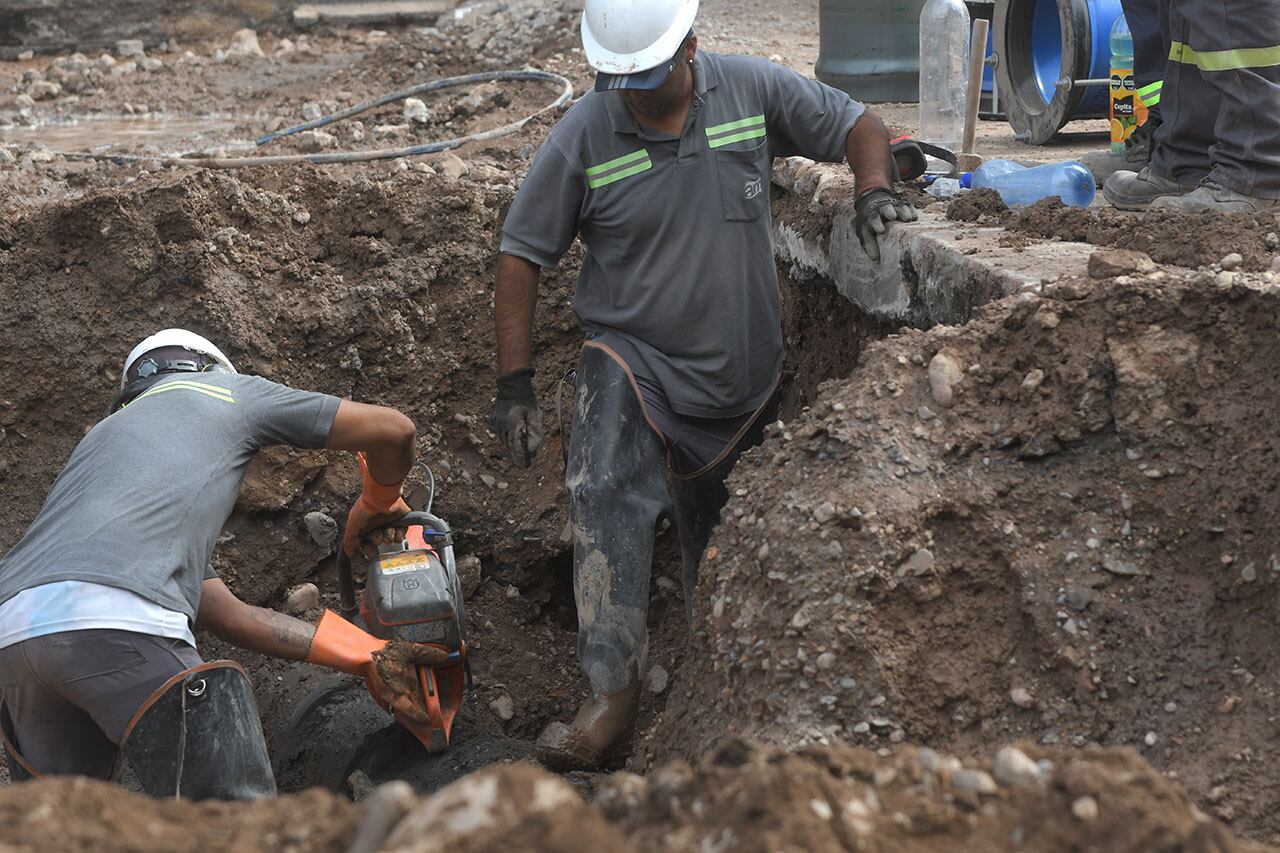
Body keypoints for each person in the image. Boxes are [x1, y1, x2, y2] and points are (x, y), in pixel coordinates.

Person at [488, 0, 916, 770]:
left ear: (691, 47)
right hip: (637, 364)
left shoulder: (749, 93)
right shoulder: (588, 128)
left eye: (647, 78)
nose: (634, 95)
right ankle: (611, 696)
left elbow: (860, 123)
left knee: (722, 564)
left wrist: (873, 186)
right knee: (604, 480)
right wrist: (513, 382)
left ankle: (706, 703)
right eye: (619, 81)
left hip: (742, 387)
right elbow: (521, 252)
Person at [0, 329, 443, 799]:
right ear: (209, 367)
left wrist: (364, 654)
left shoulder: (105, 449)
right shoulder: (227, 391)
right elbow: (395, 430)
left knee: (63, 832)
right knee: (236, 828)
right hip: (117, 620)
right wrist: (377, 503)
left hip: (11, 633)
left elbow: (229, 616)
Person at [1103, 0, 1280, 212]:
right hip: (1188, 155)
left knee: (1230, 8)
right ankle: (1191, 161)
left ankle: (1258, 172)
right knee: (1192, 13)